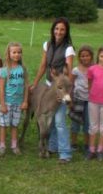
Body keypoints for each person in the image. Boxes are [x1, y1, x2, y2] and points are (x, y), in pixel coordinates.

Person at [32, 17, 75, 164]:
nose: (59, 32)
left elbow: (69, 71)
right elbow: (43, 65)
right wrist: (35, 83)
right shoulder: (47, 44)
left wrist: (67, 94)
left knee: (59, 121)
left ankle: (65, 154)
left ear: (66, 31)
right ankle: (52, 146)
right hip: (49, 86)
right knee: (49, 118)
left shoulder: (68, 48)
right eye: (57, 28)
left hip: (61, 89)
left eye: (62, 29)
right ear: (53, 30)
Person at [0, 42, 28, 156]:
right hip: (7, 102)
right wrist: (3, 104)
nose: (17, 54)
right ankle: (2, 146)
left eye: (19, 52)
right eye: (14, 52)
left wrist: (25, 101)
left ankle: (14, 145)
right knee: (3, 125)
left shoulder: (23, 69)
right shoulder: (5, 70)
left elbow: (26, 85)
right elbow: (1, 88)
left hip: (18, 103)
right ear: (9, 54)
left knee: (15, 125)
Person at [70, 45, 94, 153]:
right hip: (77, 99)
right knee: (75, 123)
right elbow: (71, 84)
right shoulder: (76, 70)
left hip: (90, 101)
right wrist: (69, 99)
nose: (85, 58)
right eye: (82, 56)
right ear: (79, 57)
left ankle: (86, 144)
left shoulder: (95, 69)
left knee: (87, 124)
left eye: (87, 56)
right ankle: (73, 143)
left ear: (91, 56)